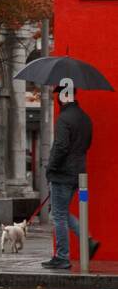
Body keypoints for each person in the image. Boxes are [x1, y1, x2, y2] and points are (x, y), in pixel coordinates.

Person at [43, 92, 100, 269]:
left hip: (62, 173)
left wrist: (51, 168)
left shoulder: (64, 119)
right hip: (78, 173)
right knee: (62, 212)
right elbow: (87, 144)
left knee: (58, 215)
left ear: (62, 97)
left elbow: (61, 146)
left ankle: (62, 257)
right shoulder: (85, 118)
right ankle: (87, 239)